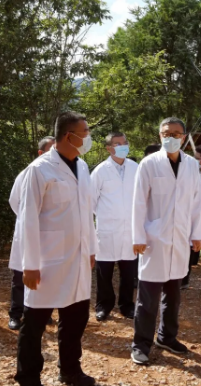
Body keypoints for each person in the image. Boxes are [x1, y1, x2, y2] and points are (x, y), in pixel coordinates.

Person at [14, 112, 98, 386]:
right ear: (68, 136)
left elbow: (87, 212)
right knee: (35, 322)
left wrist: (91, 249)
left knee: (75, 318)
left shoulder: (82, 166)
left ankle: (70, 370)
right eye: (84, 133)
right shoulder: (39, 170)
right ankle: (28, 377)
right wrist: (30, 264)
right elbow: (27, 218)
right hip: (48, 259)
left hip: (78, 257)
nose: (88, 138)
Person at [131, 117, 201, 365]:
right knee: (148, 298)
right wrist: (138, 236)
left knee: (173, 296)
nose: (170, 138)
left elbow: (196, 201)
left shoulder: (192, 164)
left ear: (183, 137)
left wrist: (197, 233)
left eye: (175, 134)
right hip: (154, 239)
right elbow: (138, 202)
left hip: (180, 238)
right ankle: (141, 344)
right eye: (166, 133)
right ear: (159, 135)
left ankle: (166, 337)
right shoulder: (149, 163)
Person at [8, 136, 55, 331]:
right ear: (40, 153)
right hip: (27, 233)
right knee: (20, 276)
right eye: (51, 150)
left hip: (48, 235)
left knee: (46, 277)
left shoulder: (59, 173)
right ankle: (15, 314)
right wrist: (28, 221)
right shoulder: (29, 172)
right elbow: (14, 200)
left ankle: (43, 314)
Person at [91, 132, 139, 321]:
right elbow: (91, 201)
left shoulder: (136, 168)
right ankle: (104, 306)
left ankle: (127, 305)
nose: (123, 146)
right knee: (105, 270)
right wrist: (108, 215)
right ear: (109, 148)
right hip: (107, 229)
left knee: (128, 271)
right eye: (118, 143)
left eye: (125, 142)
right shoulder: (100, 171)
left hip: (130, 229)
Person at [181, 144, 201, 288]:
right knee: (188, 247)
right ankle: (184, 279)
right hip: (192, 213)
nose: (194, 160)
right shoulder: (191, 171)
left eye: (197, 158)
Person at [133, 143, 162, 288]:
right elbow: (138, 203)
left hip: (160, 227)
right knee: (141, 259)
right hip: (141, 223)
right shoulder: (141, 170)